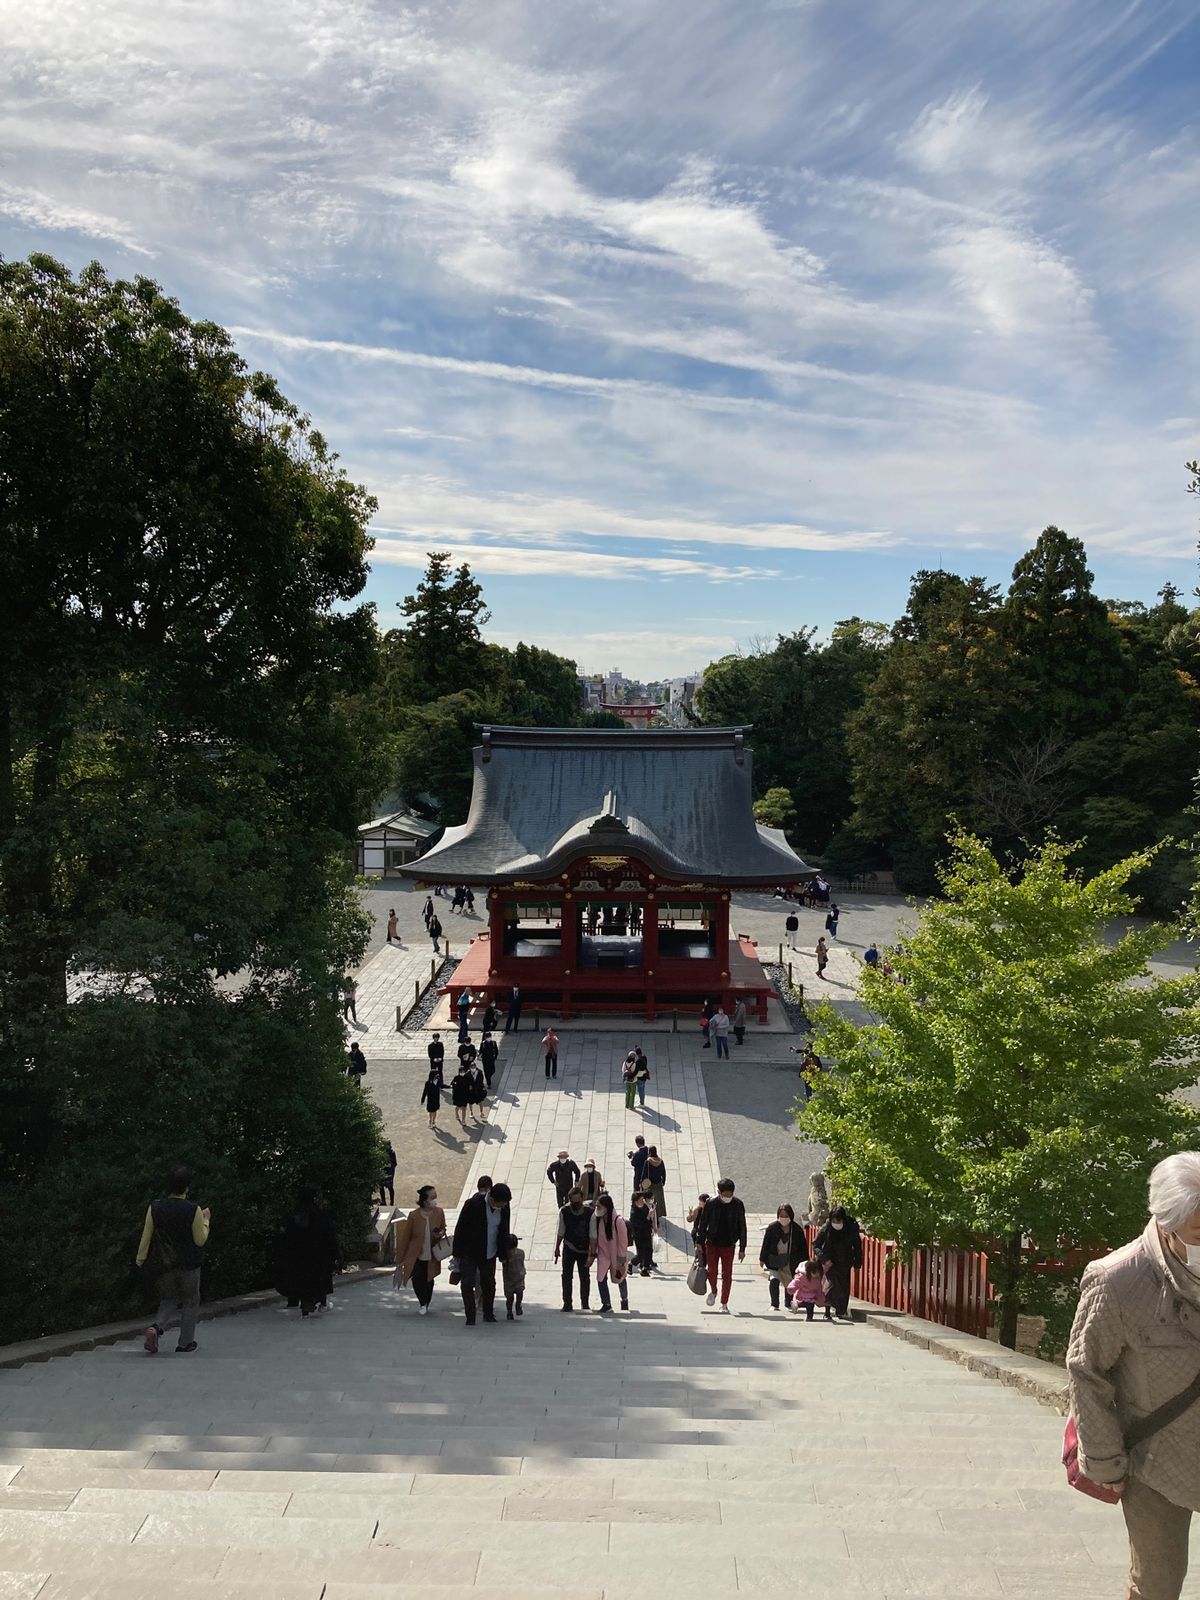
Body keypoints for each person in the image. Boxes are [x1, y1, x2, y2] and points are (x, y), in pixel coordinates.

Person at [1067, 1152, 1200, 1599]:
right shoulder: (1118, 1280)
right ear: (1167, 1224)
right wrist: (1104, 1462)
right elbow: (1087, 1371)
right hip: (1157, 1459)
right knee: (1158, 1584)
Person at [136, 1163, 211, 1355]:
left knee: (168, 1299)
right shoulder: (193, 1209)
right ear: (187, 1186)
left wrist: (140, 1259)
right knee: (190, 1300)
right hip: (189, 1264)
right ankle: (186, 1342)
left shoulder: (155, 1207)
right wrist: (205, 1220)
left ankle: (157, 1327)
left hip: (164, 1264)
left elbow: (146, 1236)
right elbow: (200, 1239)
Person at [450, 1180, 511, 1325]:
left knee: (489, 1283)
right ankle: (470, 1316)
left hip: (490, 1252)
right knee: (467, 1283)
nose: (502, 1207)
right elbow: (460, 1228)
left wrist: (504, 1254)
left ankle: (488, 1313)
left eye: (504, 1204)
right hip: (470, 1251)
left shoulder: (505, 1208)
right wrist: (457, 1253)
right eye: (500, 1204)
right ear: (491, 1199)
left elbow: (504, 1231)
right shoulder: (473, 1204)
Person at [276, 1185, 340, 1317]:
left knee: (303, 1280)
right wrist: (336, 1254)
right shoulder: (321, 1216)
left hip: (299, 1256)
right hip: (319, 1256)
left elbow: (287, 1238)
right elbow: (329, 1236)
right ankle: (322, 1302)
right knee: (320, 1279)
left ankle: (304, 1304)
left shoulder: (294, 1216)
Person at [392, 1184, 447, 1315]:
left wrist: (440, 1233)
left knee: (429, 1280)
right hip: (416, 1254)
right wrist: (400, 1258)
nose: (435, 1200)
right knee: (417, 1279)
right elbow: (406, 1237)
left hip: (432, 1253)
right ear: (424, 1201)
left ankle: (426, 1302)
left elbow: (443, 1227)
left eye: (435, 1197)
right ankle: (422, 1302)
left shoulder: (439, 1212)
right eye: (432, 1197)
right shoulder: (414, 1215)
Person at [695, 1178, 747, 1312]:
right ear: (719, 1192)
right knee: (711, 1271)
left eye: (730, 1194)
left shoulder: (738, 1204)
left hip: (729, 1243)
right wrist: (698, 1243)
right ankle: (713, 1290)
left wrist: (742, 1248)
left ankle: (724, 1303)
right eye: (725, 1194)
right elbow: (703, 1224)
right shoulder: (711, 1203)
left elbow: (742, 1226)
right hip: (712, 1242)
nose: (728, 1197)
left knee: (727, 1274)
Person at [813, 1204, 862, 1322]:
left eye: (838, 1220)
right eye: (834, 1220)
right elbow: (816, 1245)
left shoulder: (851, 1227)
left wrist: (857, 1263)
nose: (836, 1223)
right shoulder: (827, 1227)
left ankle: (841, 1311)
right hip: (830, 1262)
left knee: (843, 1288)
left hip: (845, 1261)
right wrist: (824, 1258)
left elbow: (857, 1246)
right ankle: (827, 1311)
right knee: (829, 1287)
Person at [758, 1204, 809, 1311]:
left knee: (789, 1283)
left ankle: (788, 1302)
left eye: (786, 1216)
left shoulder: (797, 1230)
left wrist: (805, 1262)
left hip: (791, 1261)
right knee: (774, 1280)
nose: (784, 1218)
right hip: (774, 1260)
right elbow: (765, 1244)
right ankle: (774, 1304)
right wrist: (762, 1258)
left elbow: (803, 1248)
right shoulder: (772, 1228)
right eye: (781, 1215)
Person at [590, 1192, 629, 1314]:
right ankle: (606, 1304)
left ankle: (624, 1300)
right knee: (601, 1279)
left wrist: (621, 1261)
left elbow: (623, 1242)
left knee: (620, 1278)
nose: (597, 1209)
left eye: (599, 1206)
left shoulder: (618, 1221)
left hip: (616, 1256)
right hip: (603, 1254)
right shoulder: (599, 1219)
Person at [555, 1187, 592, 1311]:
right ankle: (567, 1303)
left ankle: (585, 1303)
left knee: (585, 1277)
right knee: (566, 1276)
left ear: (582, 1198)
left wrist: (592, 1253)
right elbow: (561, 1230)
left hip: (584, 1249)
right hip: (569, 1247)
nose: (576, 1204)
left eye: (578, 1201)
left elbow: (593, 1234)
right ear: (570, 1200)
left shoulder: (589, 1212)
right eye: (573, 1201)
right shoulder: (564, 1211)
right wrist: (557, 1247)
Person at [788, 1258, 833, 1322]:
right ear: (809, 1271)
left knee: (810, 1306)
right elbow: (796, 1282)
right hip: (802, 1295)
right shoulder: (802, 1277)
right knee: (800, 1303)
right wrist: (791, 1288)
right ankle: (795, 1305)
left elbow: (824, 1270)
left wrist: (827, 1265)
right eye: (814, 1273)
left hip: (812, 1296)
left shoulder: (818, 1276)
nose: (816, 1275)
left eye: (818, 1272)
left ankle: (809, 1317)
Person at [628, 1189, 657, 1276]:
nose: (643, 1201)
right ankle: (630, 1264)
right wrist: (648, 1217)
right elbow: (639, 1225)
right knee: (640, 1254)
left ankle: (645, 1268)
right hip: (639, 1235)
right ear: (636, 1201)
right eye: (641, 1200)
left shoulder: (644, 1207)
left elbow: (648, 1221)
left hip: (647, 1233)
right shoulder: (634, 1212)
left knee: (649, 1251)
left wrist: (652, 1226)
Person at [502, 1233, 526, 1320]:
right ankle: (509, 1311)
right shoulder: (505, 1255)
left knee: (519, 1292)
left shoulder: (520, 1253)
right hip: (510, 1278)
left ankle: (518, 1304)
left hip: (517, 1277)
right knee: (510, 1297)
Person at [644, 1147, 667, 1220]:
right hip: (658, 1184)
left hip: (650, 1185)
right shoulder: (661, 1161)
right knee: (658, 1201)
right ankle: (658, 1214)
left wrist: (641, 1182)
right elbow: (663, 1173)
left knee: (649, 1200)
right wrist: (663, 1182)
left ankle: (650, 1214)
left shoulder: (648, 1162)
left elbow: (644, 1173)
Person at [380, 1142, 397, 1207]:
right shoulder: (381, 1152)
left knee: (390, 1187)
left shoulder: (392, 1153)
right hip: (382, 1171)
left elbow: (395, 1163)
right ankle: (383, 1201)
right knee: (381, 1187)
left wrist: (390, 1165)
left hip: (390, 1172)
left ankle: (391, 1202)